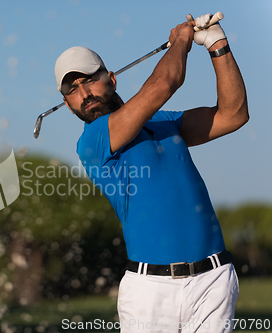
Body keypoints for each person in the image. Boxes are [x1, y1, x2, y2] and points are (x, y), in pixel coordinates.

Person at [54, 14, 248, 333]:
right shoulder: (94, 140)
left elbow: (233, 114)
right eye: (72, 90)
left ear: (111, 79)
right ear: (67, 104)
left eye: (88, 80)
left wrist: (217, 45)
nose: (84, 94)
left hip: (214, 281)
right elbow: (164, 84)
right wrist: (181, 41)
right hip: (150, 291)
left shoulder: (163, 122)